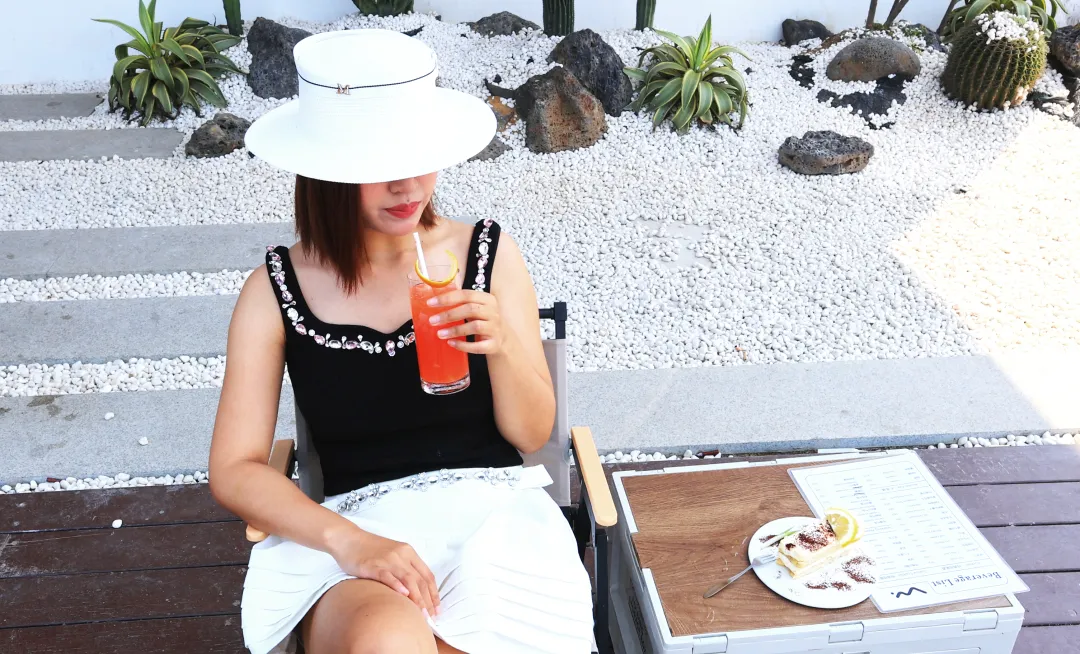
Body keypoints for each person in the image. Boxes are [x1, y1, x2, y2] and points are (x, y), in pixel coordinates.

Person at [208, 29, 593, 654]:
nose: (410, 185)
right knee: (386, 643)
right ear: (328, 169)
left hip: (495, 520)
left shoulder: (486, 254)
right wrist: (350, 542)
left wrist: (501, 346)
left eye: (421, 156)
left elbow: (531, 437)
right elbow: (233, 468)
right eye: (382, 166)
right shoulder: (272, 290)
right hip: (353, 531)